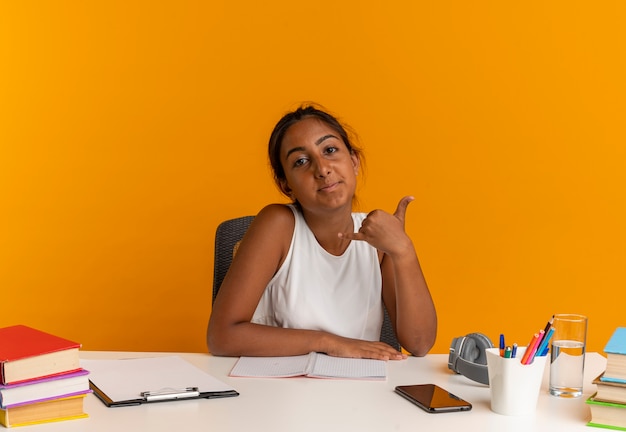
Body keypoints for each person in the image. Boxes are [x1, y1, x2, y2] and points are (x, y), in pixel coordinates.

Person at [208, 104, 436, 359]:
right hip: (278, 391)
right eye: (301, 161)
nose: (322, 169)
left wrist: (403, 250)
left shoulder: (376, 237)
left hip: (358, 390)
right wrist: (329, 342)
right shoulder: (278, 224)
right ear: (286, 185)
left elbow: (419, 344)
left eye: (330, 150)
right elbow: (222, 337)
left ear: (353, 161)